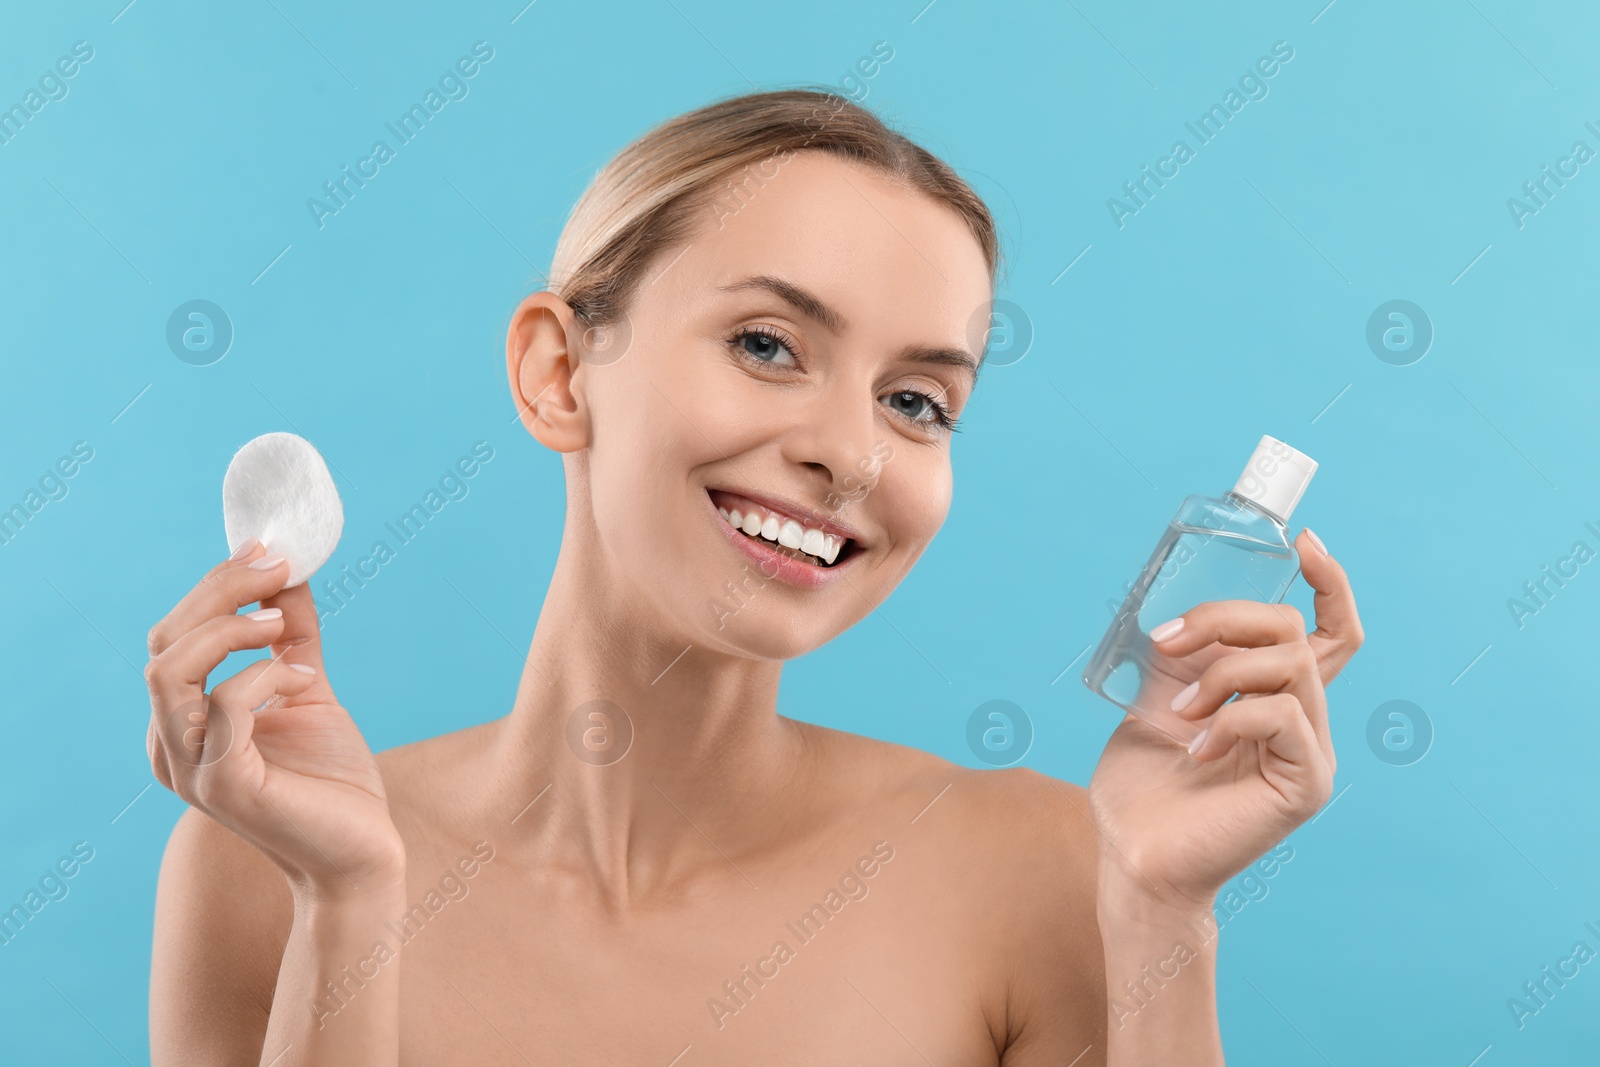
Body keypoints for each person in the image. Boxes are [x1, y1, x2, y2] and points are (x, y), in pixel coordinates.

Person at [143, 87, 1363, 1065]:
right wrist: (348, 902)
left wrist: (1161, 912)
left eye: (915, 400)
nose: (849, 452)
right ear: (558, 374)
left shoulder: (1048, 871)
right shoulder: (265, 860)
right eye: (767, 344)